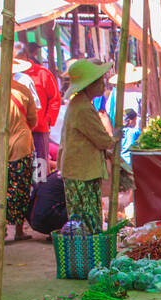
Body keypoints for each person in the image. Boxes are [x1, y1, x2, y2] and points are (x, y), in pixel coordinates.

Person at [0, 51, 40, 242]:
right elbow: (32, 121)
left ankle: (0, 230)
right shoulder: (23, 89)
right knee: (21, 187)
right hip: (21, 144)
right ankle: (19, 229)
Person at [58, 59, 118, 232]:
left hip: (78, 170)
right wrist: (114, 138)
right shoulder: (82, 107)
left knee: (83, 219)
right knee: (87, 221)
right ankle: (87, 254)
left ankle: (84, 253)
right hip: (80, 173)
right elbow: (102, 139)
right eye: (99, 81)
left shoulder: (80, 104)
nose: (103, 84)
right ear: (89, 85)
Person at [22, 43, 61, 167]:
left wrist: (47, 121)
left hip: (39, 130)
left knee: (40, 169)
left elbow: (55, 99)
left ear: (25, 56)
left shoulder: (42, 73)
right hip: (17, 132)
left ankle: (40, 186)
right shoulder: (7, 76)